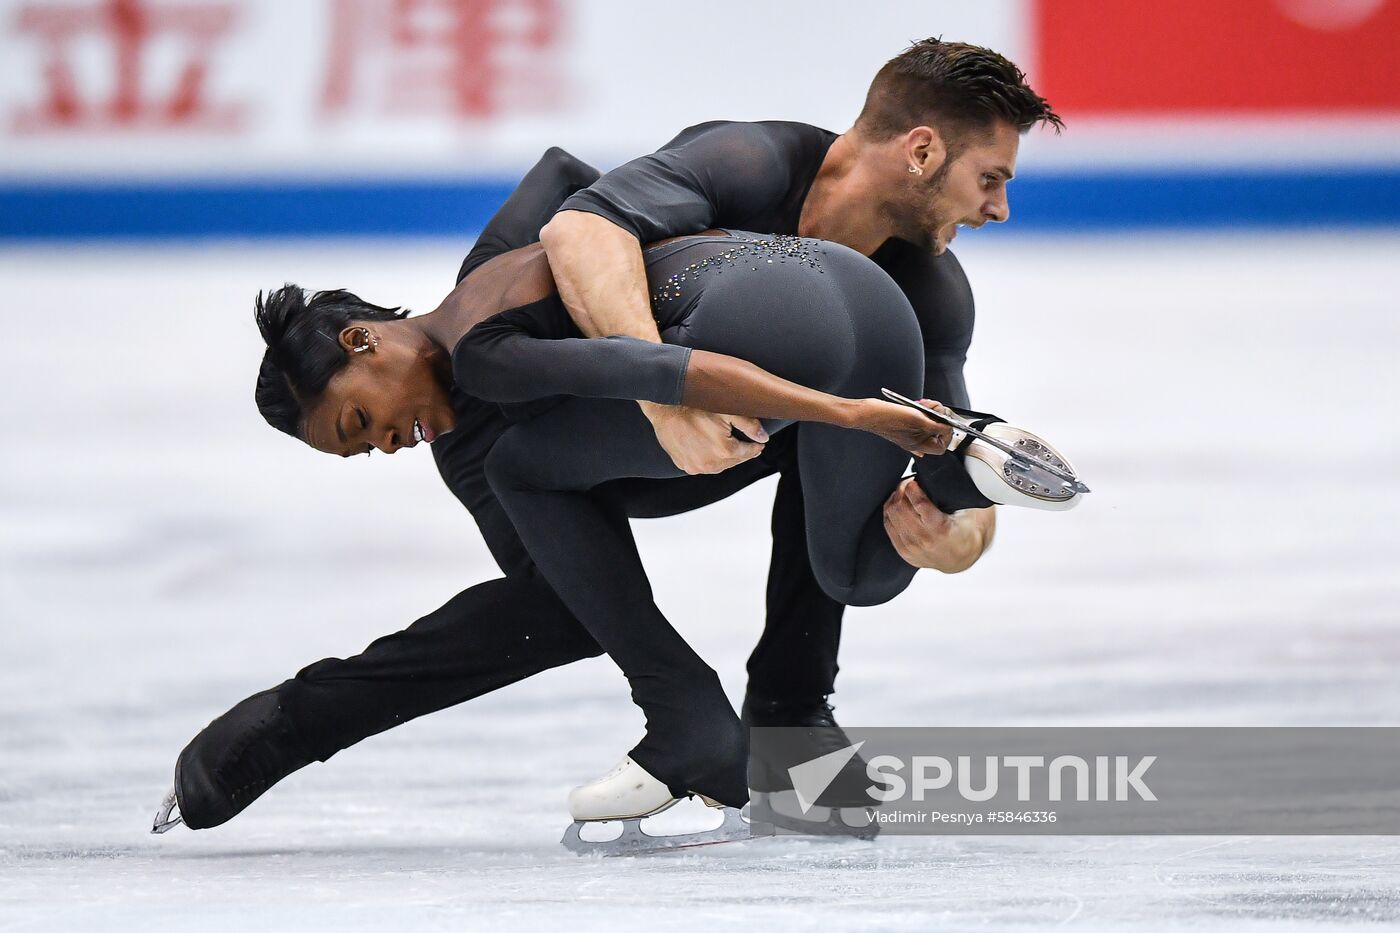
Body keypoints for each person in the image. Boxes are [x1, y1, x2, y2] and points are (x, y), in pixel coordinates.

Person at [155, 37, 1061, 833]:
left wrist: (958, 538)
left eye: (360, 424)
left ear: (365, 340)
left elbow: (953, 437)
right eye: (360, 447)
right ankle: (708, 725)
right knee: (554, 546)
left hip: (735, 395)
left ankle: (790, 713)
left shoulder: (918, 280)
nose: (385, 445)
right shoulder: (739, 167)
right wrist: (296, 722)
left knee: (829, 486)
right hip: (650, 408)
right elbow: (581, 216)